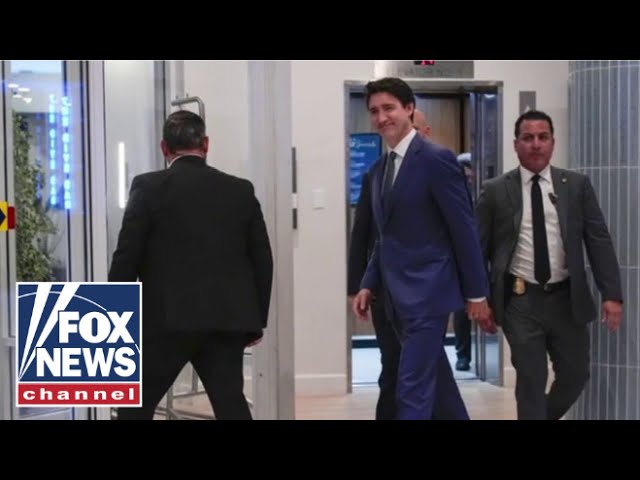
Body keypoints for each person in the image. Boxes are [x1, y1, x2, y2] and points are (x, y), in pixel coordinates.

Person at [108, 110, 273, 420]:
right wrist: (255, 320)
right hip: (225, 320)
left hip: (163, 320)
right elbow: (262, 259)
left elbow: (126, 256)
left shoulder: (147, 187)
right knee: (231, 407)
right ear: (206, 144)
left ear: (163, 147)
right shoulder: (240, 190)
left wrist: (115, 316)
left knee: (136, 408)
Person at [352, 77, 493, 420]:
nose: (381, 117)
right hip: (394, 297)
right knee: (439, 387)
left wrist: (476, 293)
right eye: (374, 111)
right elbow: (386, 236)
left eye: (389, 108)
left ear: (409, 109)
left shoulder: (436, 159)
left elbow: (463, 229)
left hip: (428, 294)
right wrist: (368, 282)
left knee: (411, 390)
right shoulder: (381, 168)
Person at [475, 109, 623, 420]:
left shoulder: (576, 185)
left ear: (553, 143)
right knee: (531, 379)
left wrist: (611, 294)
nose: (536, 144)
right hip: (520, 300)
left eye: (543, 137)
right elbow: (478, 250)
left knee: (576, 375)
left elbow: (598, 240)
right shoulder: (496, 190)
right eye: (528, 138)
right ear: (516, 144)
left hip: (567, 299)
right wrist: (479, 300)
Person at [348, 108, 435, 420]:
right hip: (387, 292)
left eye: (420, 134)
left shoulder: (438, 168)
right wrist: (359, 285)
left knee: (425, 374)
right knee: (395, 368)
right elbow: (364, 235)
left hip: (427, 294)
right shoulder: (377, 174)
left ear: (426, 134)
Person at [452, 152, 475, 371]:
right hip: (458, 261)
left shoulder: (486, 193)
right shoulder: (453, 193)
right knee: (461, 312)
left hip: (482, 257)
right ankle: (463, 355)